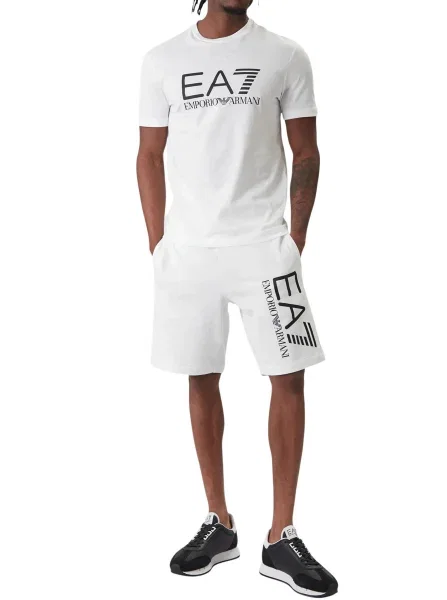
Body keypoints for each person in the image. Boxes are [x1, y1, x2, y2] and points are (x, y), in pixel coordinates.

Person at [137, 0, 338, 595]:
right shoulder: (162, 60)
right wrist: (158, 244)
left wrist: (295, 241)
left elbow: (307, 151)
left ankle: (281, 536)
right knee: (201, 377)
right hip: (189, 253)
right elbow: (148, 154)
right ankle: (218, 523)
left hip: (266, 247)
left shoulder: (285, 55)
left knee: (290, 378)